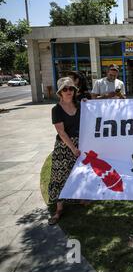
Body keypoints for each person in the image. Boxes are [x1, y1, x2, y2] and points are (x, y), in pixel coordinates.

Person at [48, 77, 81, 225]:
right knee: (59, 176)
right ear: (60, 92)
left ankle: (79, 197)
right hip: (64, 146)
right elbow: (61, 132)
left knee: (78, 173)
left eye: (71, 89)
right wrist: (73, 149)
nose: (69, 91)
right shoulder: (56, 110)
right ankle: (59, 209)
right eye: (65, 89)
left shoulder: (80, 106)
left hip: (81, 144)